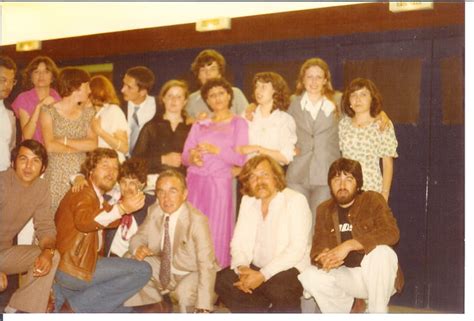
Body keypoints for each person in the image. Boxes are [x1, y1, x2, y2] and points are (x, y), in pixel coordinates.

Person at [297, 158, 404, 313]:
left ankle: (377, 311)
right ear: (330, 185)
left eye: (348, 179)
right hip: (349, 277)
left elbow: (392, 233)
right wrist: (324, 257)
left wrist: (350, 245)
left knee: (381, 253)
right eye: (336, 180)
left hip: (379, 276)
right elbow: (317, 248)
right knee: (309, 276)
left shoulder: (372, 199)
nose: (342, 185)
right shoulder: (324, 209)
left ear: (358, 183)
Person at [53, 148, 152, 313]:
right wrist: (122, 208)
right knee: (143, 270)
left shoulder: (98, 196)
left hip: (75, 269)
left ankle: (71, 305)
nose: (111, 172)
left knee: (123, 311)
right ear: (91, 170)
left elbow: (106, 218)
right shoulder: (83, 193)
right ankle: (74, 308)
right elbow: (85, 221)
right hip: (75, 267)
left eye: (115, 168)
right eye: (105, 165)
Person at [215, 155, 312, 313]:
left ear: (275, 176)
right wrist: (242, 268)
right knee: (222, 280)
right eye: (253, 177)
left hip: (288, 268)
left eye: (264, 174)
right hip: (257, 267)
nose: (259, 181)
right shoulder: (248, 200)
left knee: (279, 289)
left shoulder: (295, 200)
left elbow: (296, 250)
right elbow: (239, 243)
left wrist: (262, 275)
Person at [125, 169, 218, 313]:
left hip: (192, 272)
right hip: (164, 267)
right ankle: (156, 307)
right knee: (130, 260)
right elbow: (138, 237)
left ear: (184, 194)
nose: (166, 198)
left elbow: (206, 265)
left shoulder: (197, 221)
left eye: (172, 191)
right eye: (161, 192)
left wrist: (203, 306)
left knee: (184, 294)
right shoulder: (155, 210)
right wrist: (138, 249)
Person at [182, 78, 248, 268]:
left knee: (216, 231)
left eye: (221, 93)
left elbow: (240, 158)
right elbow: (184, 156)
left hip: (219, 182)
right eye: (212, 95)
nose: (217, 98)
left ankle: (215, 279)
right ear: (207, 100)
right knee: (193, 229)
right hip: (195, 181)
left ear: (229, 96)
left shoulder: (238, 123)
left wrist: (215, 150)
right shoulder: (201, 123)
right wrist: (192, 157)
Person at [0, 139, 59, 313]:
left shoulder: (41, 188)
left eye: (36, 161)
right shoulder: (2, 183)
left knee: (52, 256)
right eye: (23, 159)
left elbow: (45, 226)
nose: (28, 166)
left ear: (43, 168)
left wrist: (47, 252)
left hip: (4, 253)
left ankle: (17, 309)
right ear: (13, 162)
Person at [285, 58, 341, 228]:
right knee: (296, 224)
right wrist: (250, 109)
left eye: (319, 77)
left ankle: (315, 256)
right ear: (302, 80)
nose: (314, 82)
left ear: (326, 80)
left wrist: (381, 115)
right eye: (310, 77)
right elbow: (268, 111)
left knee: (320, 224)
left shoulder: (338, 100)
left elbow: (363, 110)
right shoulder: (292, 101)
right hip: (297, 173)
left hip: (325, 173)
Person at [40, 67, 97, 215]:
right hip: (55, 175)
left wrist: (64, 140)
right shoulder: (48, 111)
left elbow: (93, 144)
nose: (90, 91)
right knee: (53, 218)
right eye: (87, 86)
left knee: (77, 218)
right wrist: (79, 147)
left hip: (81, 174)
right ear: (76, 87)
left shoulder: (88, 113)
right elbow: (50, 146)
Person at [339, 78, 398, 201]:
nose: (358, 99)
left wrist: (385, 193)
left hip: (372, 187)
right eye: (353, 95)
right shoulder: (343, 124)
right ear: (348, 100)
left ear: (372, 99)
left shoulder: (382, 124)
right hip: (347, 188)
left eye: (363, 94)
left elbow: (387, 163)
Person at [133, 79, 191, 176]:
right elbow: (135, 162)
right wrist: (162, 159)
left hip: (185, 183)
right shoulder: (151, 127)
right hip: (155, 183)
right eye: (170, 96)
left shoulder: (192, 128)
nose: (174, 100)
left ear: (185, 101)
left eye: (179, 97)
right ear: (163, 99)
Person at [240, 71, 296, 165]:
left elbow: (286, 157)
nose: (258, 90)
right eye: (257, 86)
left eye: (263, 87)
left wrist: (259, 149)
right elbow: (237, 149)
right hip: (248, 171)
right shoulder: (246, 115)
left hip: (273, 172)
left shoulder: (285, 120)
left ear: (275, 90)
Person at [105, 158, 155, 257]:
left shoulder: (151, 205)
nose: (127, 188)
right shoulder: (111, 200)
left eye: (132, 183)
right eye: (123, 182)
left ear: (142, 184)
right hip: (111, 258)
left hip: (136, 258)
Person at [186, 49, 248, 121]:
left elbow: (248, 121)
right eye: (203, 70)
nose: (208, 73)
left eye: (212, 69)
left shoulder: (236, 94)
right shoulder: (191, 100)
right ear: (198, 76)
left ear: (220, 74)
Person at [11, 56, 61, 144]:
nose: (41, 75)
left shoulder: (58, 98)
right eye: (36, 72)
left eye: (46, 72)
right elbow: (27, 136)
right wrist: (38, 107)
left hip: (54, 151)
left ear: (52, 77)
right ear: (31, 77)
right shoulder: (23, 98)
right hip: (33, 152)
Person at [89, 75, 129, 163]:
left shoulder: (113, 110)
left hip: (113, 165)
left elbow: (124, 147)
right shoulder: (90, 114)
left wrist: (100, 132)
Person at [120, 66, 156, 155]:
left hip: (147, 163)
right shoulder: (117, 105)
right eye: (123, 84)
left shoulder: (159, 106)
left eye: (129, 87)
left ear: (143, 92)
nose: (122, 90)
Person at [0, 55, 20, 171]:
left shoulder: (10, 112)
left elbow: (12, 146)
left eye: (12, 81)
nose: (8, 86)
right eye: (3, 80)